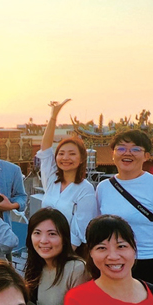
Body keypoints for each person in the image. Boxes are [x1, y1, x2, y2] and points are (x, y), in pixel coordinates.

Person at [96, 130, 153, 292]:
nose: (127, 153)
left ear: (146, 156)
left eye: (135, 149)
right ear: (113, 154)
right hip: (114, 263)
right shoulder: (103, 188)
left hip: (150, 262)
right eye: (121, 148)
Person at [36, 99, 97, 251]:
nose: (65, 158)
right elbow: (45, 150)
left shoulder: (85, 189)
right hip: (44, 247)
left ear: (82, 158)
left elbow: (80, 228)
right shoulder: (51, 181)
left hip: (69, 251)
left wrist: (64, 258)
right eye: (61, 153)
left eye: (71, 154)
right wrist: (53, 116)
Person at [24, 207, 89, 305]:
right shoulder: (37, 265)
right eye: (37, 233)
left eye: (52, 234)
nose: (43, 241)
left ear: (64, 239)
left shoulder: (77, 269)